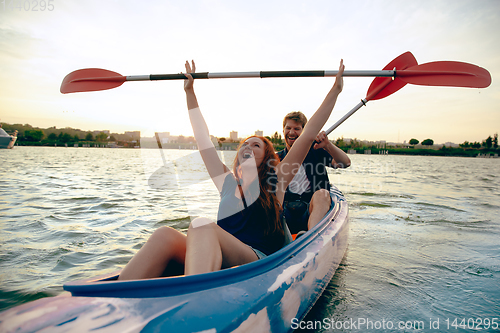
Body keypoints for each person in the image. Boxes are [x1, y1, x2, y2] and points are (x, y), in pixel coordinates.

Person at [118, 59, 344, 280]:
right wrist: (190, 92)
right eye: (245, 144)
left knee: (201, 226)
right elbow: (202, 138)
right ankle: (111, 302)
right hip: (219, 254)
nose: (248, 146)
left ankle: (196, 299)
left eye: (256, 145)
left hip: (259, 262)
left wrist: (335, 89)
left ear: (267, 158)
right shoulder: (226, 181)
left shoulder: (277, 180)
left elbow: (309, 132)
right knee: (164, 235)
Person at [277, 111, 351, 236]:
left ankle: (311, 236)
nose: (291, 132)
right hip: (286, 213)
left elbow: (345, 163)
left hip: (312, 210)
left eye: (297, 129)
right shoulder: (276, 159)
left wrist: (327, 145)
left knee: (322, 193)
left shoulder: (317, 151)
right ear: (283, 130)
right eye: (288, 128)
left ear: (305, 132)